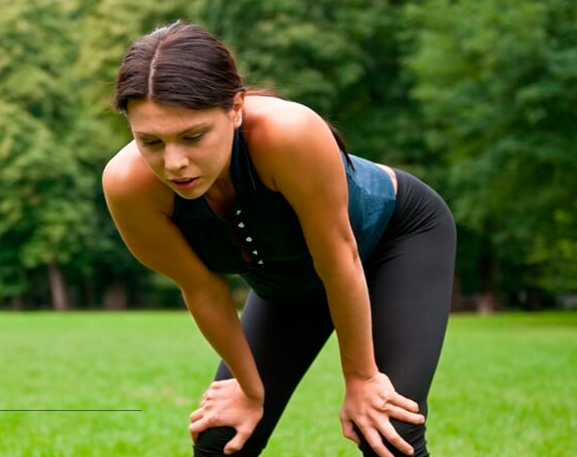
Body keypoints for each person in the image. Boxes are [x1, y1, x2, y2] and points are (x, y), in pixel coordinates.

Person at [102, 19, 456, 457]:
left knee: (384, 425)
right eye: (150, 141)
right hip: (286, 283)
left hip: (394, 240)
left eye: (193, 136)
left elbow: (339, 258)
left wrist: (362, 378)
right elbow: (204, 289)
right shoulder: (128, 186)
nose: (174, 163)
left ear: (235, 109)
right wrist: (250, 391)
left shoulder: (287, 133)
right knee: (223, 438)